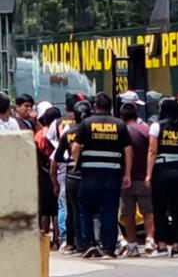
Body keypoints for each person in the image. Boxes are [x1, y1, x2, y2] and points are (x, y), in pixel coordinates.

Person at [72, 92, 133, 259]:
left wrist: (78, 163)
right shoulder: (119, 124)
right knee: (110, 211)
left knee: (85, 209)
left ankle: (90, 244)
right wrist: (127, 173)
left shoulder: (86, 123)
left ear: (95, 106)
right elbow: (128, 150)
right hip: (112, 175)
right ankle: (108, 249)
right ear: (110, 106)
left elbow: (76, 147)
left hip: (90, 174)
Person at [145, 98, 178, 258]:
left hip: (162, 170)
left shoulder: (157, 126)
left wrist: (148, 175)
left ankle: (162, 245)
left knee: (160, 210)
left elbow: (152, 151)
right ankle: (176, 247)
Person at [52, 100, 92, 255]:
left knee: (73, 209)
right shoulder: (92, 131)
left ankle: (74, 242)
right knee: (91, 209)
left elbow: (58, 156)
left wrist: (69, 161)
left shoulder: (68, 133)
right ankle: (91, 241)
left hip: (72, 175)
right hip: (90, 173)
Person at [119, 102, 156, 257]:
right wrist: (149, 174)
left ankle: (133, 245)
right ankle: (150, 240)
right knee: (148, 211)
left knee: (128, 214)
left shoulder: (121, 131)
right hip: (143, 178)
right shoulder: (146, 130)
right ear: (137, 115)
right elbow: (152, 151)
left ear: (122, 117)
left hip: (126, 179)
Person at [35, 106, 62, 249]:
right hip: (60, 173)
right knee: (57, 209)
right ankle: (58, 239)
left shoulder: (40, 135)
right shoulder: (63, 132)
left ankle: (44, 239)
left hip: (44, 175)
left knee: (45, 210)